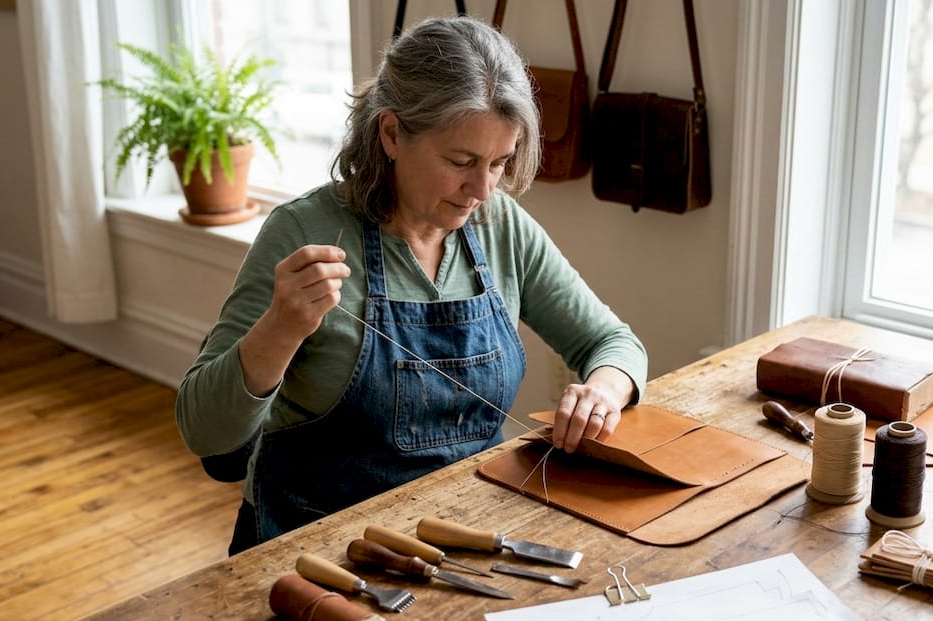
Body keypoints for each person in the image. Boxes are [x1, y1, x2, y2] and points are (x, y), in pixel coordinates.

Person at [176, 15, 648, 556]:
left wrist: (604, 391)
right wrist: (279, 331)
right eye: (461, 161)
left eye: (499, 162)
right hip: (317, 555)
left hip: (463, 538)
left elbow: (614, 343)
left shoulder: (501, 226)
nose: (482, 188)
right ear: (392, 132)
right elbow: (206, 436)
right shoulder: (303, 231)